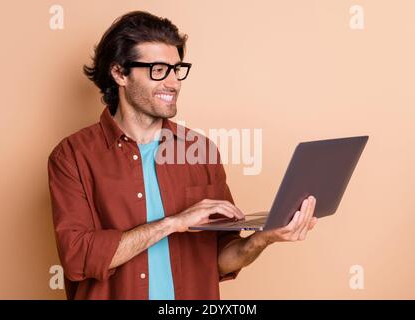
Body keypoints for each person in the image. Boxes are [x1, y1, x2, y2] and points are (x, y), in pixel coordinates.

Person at [47, 10, 317, 300]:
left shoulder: (200, 152)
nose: (174, 82)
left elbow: (218, 259)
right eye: (158, 70)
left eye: (176, 69)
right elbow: (78, 257)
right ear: (120, 73)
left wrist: (264, 238)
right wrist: (174, 222)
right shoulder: (72, 156)